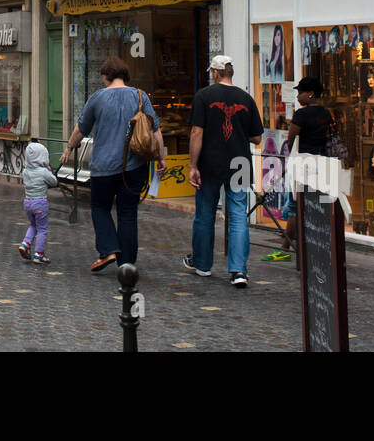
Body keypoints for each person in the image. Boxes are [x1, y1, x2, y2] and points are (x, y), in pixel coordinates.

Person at [62, 57, 167, 273]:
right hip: (134, 166)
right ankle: (127, 263)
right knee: (128, 212)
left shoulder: (97, 98)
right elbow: (155, 129)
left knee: (100, 208)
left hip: (103, 167)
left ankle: (109, 249)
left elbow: (81, 129)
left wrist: (69, 148)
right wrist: (161, 159)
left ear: (107, 76)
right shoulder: (140, 95)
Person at [183, 55, 263, 287]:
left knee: (205, 213)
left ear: (216, 73)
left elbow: (197, 132)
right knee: (238, 215)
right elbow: (257, 137)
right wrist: (238, 132)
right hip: (239, 162)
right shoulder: (246, 98)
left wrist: (192, 165)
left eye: (212, 72)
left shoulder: (204, 96)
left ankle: (202, 263)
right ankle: (238, 271)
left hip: (210, 162)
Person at [264, 77, 334, 261]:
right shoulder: (326, 113)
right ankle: (318, 244)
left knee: (296, 206)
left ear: (310, 93)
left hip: (303, 163)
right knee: (319, 203)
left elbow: (291, 139)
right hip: (322, 162)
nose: (298, 96)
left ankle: (285, 248)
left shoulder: (301, 114)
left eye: (300, 92)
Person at [18, 141, 57, 265]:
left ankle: (26, 243)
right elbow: (54, 182)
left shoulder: (25, 172)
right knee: (42, 229)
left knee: (33, 225)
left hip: (27, 202)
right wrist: (49, 171)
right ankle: (39, 254)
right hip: (40, 203)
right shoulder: (43, 172)